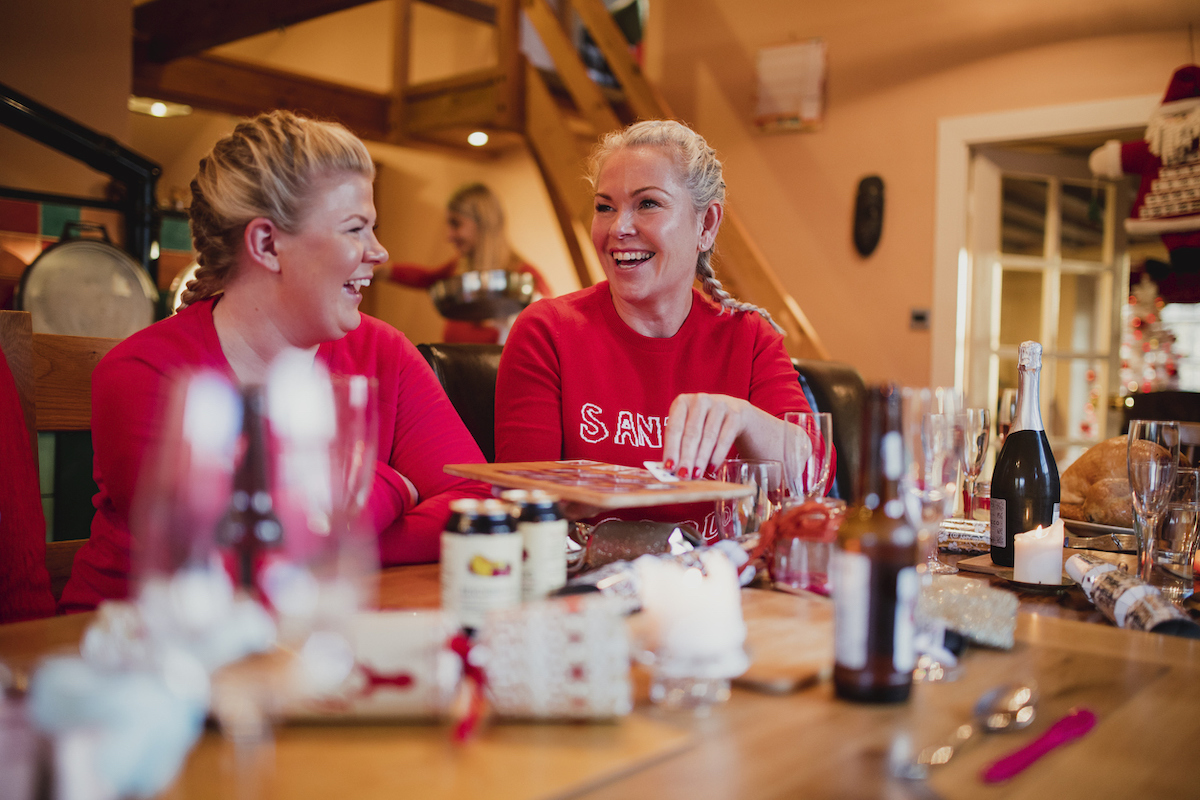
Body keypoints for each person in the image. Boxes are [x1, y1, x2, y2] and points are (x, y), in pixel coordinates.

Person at [60, 111, 491, 612]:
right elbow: (232, 559)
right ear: (266, 244)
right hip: (143, 658)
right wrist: (396, 484)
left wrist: (319, 539)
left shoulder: (383, 351)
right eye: (356, 229)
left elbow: (476, 500)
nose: (379, 251)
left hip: (320, 639)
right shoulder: (145, 373)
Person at [494, 119, 824, 539]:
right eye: (605, 206)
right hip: (587, 587)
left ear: (706, 226)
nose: (618, 228)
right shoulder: (547, 331)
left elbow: (813, 475)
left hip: (718, 590)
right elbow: (523, 506)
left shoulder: (749, 337)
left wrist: (743, 418)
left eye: (647, 204)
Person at [383, 183, 552, 343]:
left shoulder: (524, 279)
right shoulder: (460, 268)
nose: (448, 236)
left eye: (456, 224)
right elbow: (427, 279)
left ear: (483, 224)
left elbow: (546, 334)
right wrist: (382, 270)